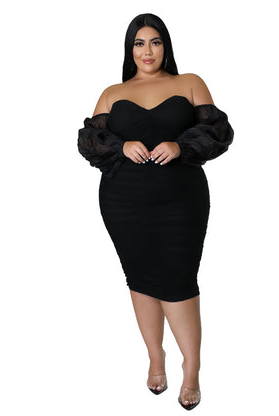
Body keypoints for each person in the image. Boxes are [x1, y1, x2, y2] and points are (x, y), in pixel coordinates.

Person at [77, 13, 234, 410]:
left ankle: (192, 368)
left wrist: (181, 146)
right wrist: (121, 145)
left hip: (181, 198)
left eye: (155, 42)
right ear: (130, 49)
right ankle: (155, 357)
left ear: (166, 46)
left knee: (179, 280)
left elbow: (219, 131)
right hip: (123, 200)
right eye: (139, 43)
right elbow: (89, 141)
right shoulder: (113, 92)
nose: (147, 51)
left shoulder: (190, 82)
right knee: (140, 277)